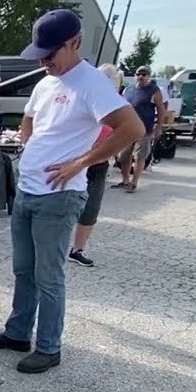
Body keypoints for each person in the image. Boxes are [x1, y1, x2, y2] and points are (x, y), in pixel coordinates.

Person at [0, 10, 143, 373]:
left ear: (75, 43)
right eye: (40, 54)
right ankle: (18, 332)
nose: (44, 60)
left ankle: (49, 347)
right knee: (24, 269)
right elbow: (29, 118)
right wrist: (29, 147)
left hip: (59, 196)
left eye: (51, 53)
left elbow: (132, 128)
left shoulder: (91, 82)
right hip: (29, 190)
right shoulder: (46, 82)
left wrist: (81, 161)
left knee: (48, 275)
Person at [69, 63, 125, 267]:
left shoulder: (117, 105)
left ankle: (78, 249)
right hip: (78, 160)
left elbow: (126, 130)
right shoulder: (85, 98)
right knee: (65, 203)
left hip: (99, 163)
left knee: (91, 207)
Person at [111, 65, 166, 192]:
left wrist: (158, 128)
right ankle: (125, 180)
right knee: (123, 156)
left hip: (144, 129)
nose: (140, 76)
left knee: (139, 156)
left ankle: (134, 182)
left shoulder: (154, 90)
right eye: (138, 74)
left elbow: (161, 109)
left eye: (144, 74)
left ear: (148, 76)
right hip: (127, 128)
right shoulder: (128, 90)